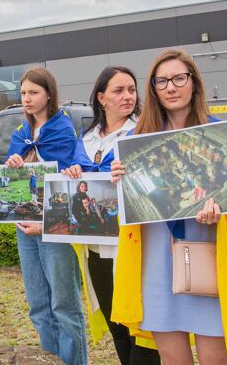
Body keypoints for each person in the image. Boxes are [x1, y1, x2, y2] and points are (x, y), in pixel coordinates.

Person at [111, 49, 227, 364]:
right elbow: (124, 210)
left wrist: (222, 214)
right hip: (156, 259)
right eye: (162, 81)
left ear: (193, 83)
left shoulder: (222, 137)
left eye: (179, 78)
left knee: (217, 360)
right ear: (153, 89)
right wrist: (119, 181)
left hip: (209, 257)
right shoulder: (137, 140)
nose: (171, 87)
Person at [5, 67, 89, 365]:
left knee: (64, 304)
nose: (26, 98)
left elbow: (72, 176)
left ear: (49, 95)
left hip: (55, 225)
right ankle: (51, 360)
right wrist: (13, 163)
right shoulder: (20, 134)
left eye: (33, 92)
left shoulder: (63, 130)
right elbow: (10, 182)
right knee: (38, 304)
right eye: (23, 92)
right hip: (24, 225)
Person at [76, 65, 158, 365]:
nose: (127, 96)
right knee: (116, 325)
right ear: (101, 98)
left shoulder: (144, 131)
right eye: (118, 90)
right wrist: (73, 173)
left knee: (142, 326)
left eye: (131, 90)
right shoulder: (86, 139)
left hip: (134, 244)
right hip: (97, 246)